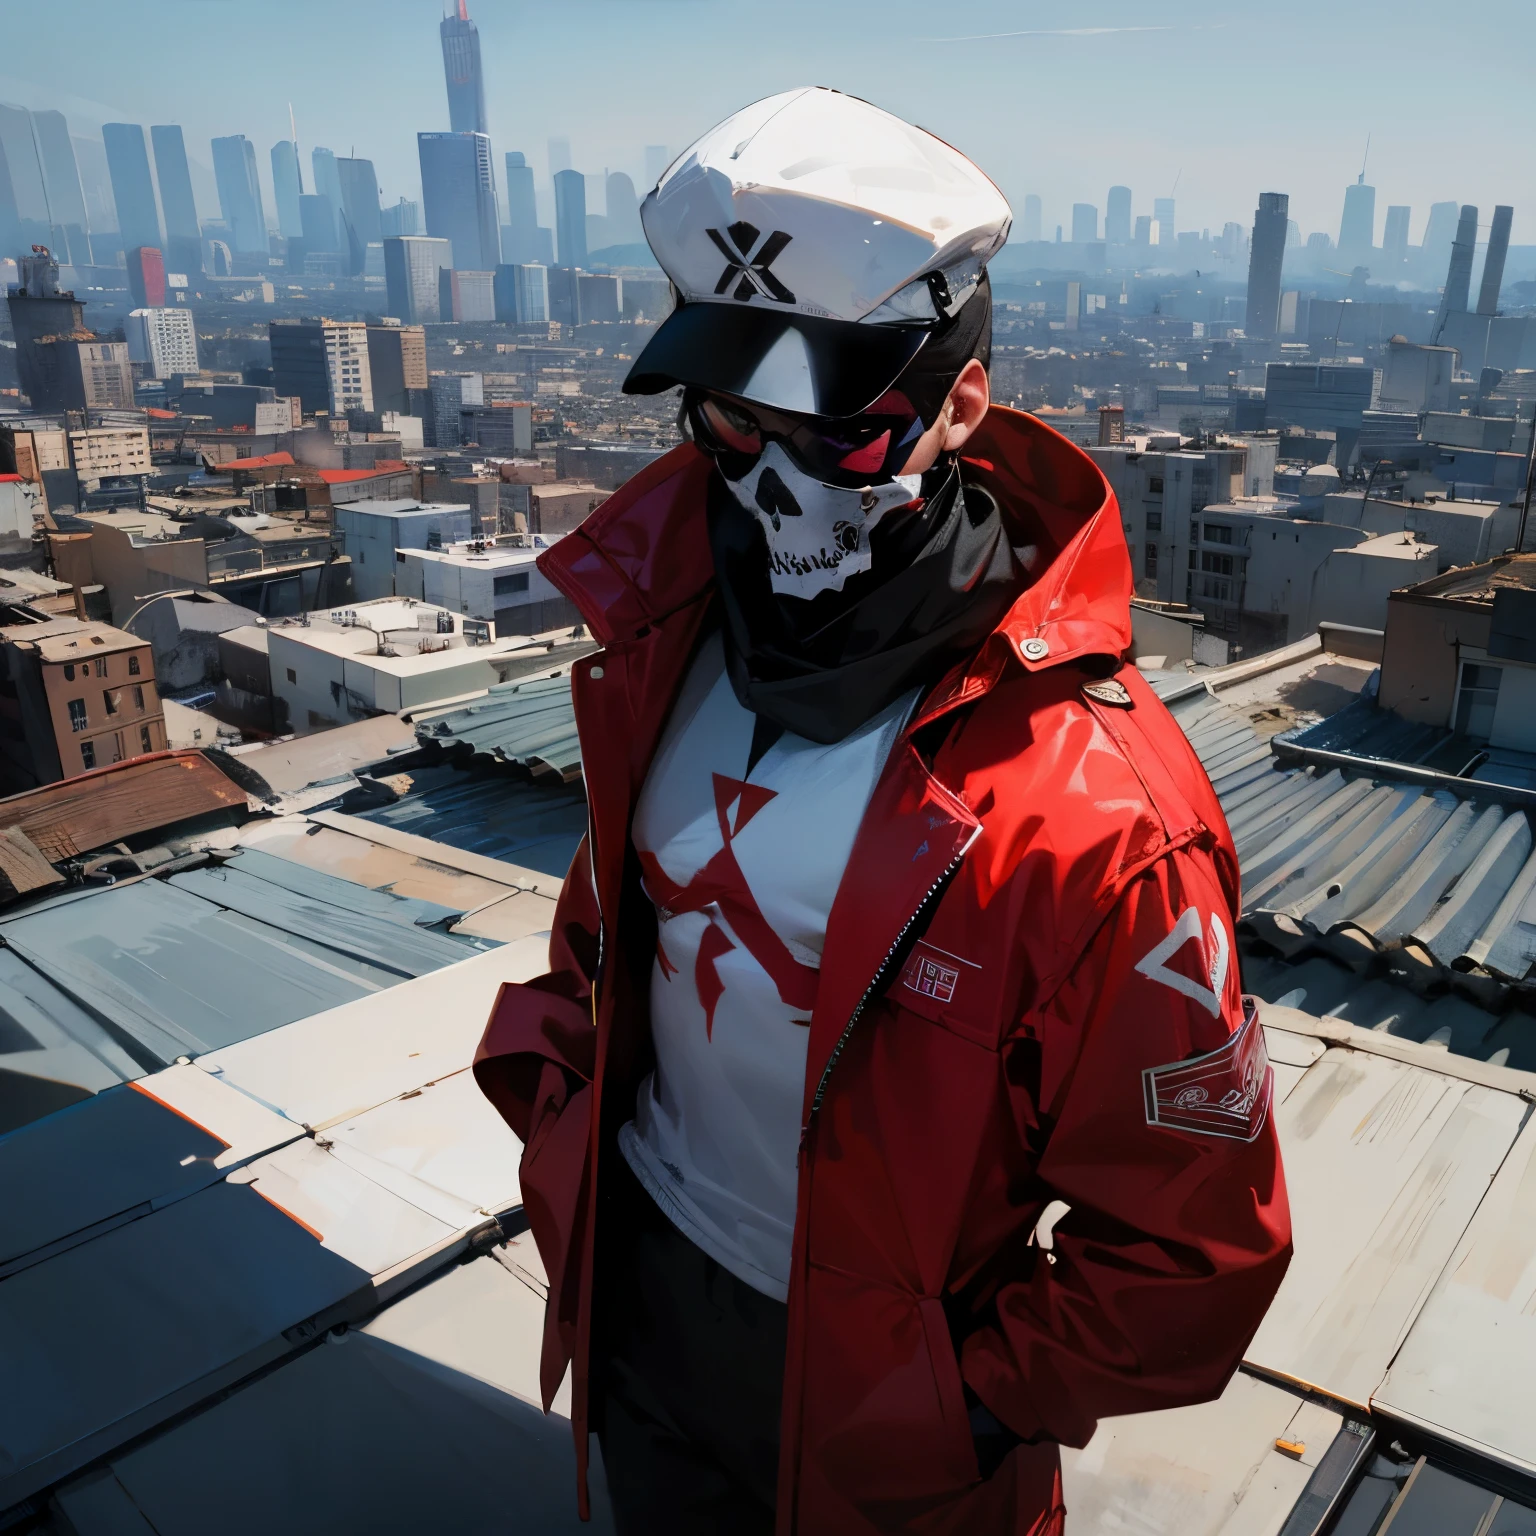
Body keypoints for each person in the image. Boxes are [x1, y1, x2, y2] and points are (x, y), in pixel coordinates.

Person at [475, 87, 1291, 1536]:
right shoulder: (665, 635)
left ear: (959, 399)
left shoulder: (1098, 816)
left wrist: (961, 1395)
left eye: (840, 427)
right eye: (733, 416)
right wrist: (561, 1122)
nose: (772, 480)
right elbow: (621, 934)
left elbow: (1198, 1242)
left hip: (883, 1409)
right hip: (641, 1306)